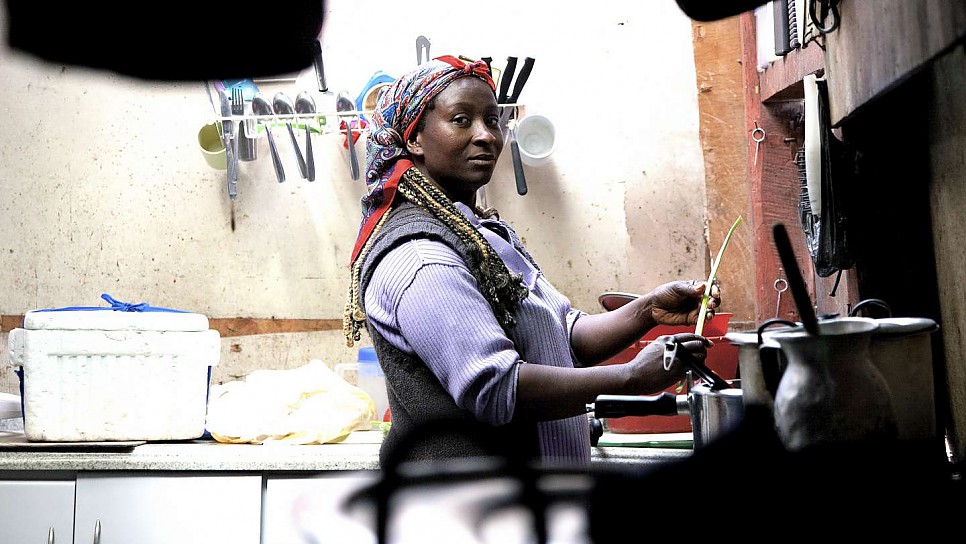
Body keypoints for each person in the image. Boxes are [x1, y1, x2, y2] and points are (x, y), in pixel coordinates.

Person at [343, 55, 721, 468]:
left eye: (493, 119)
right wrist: (631, 378)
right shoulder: (421, 257)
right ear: (414, 138)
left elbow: (561, 333)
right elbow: (496, 387)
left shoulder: (480, 234)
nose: (487, 135)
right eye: (462, 120)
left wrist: (649, 309)